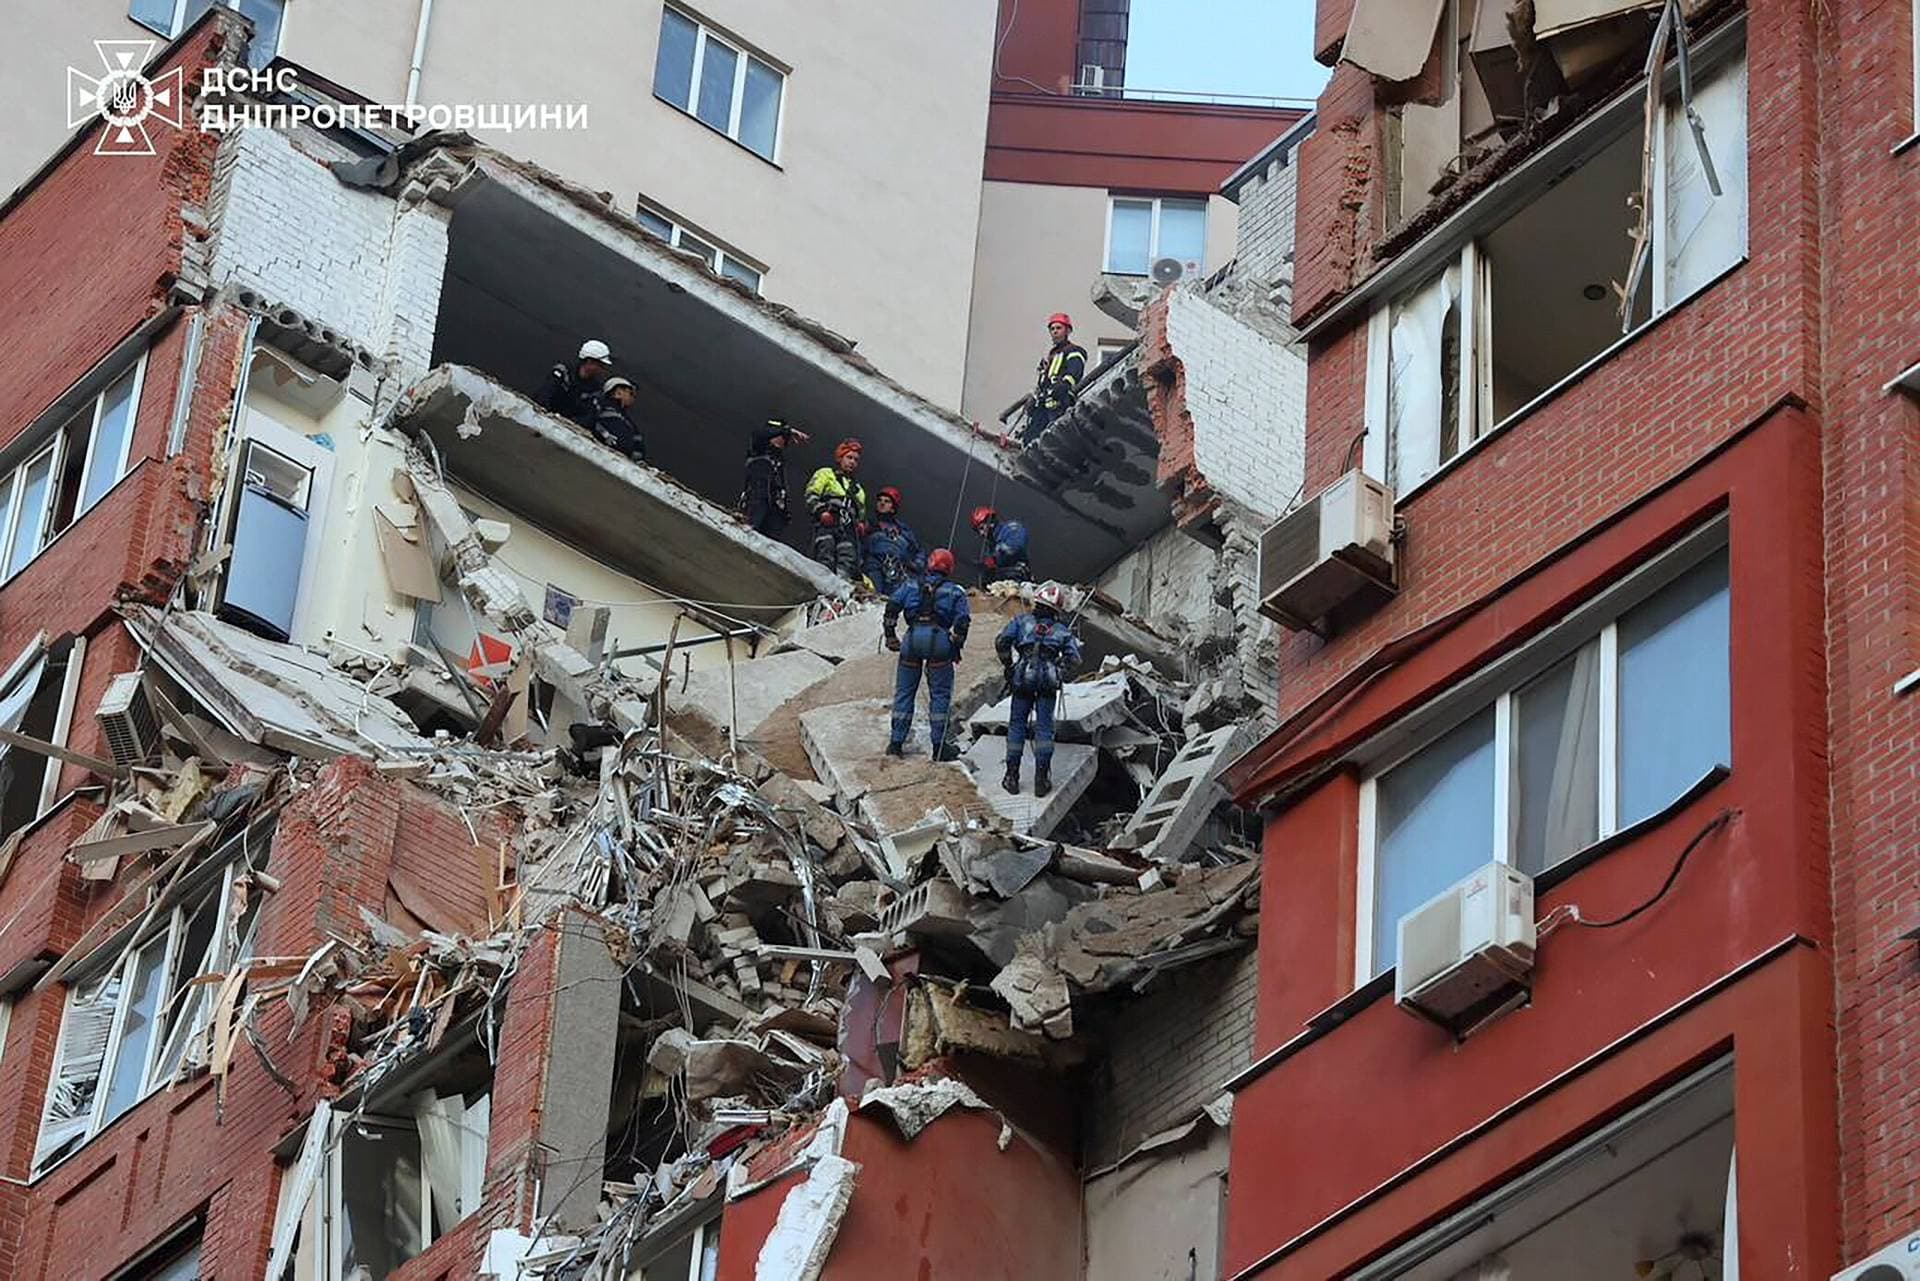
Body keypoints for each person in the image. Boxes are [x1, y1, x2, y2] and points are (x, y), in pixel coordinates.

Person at [995, 582, 1083, 796]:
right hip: (1047, 682)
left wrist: (1008, 666)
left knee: (1017, 726)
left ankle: (1011, 777)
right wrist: (1059, 670)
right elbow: (1075, 659)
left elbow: (1001, 642)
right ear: (1057, 609)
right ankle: (1041, 781)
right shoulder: (1062, 631)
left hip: (1022, 678)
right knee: (1044, 729)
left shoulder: (1021, 622)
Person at [883, 548, 971, 760]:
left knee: (904, 692)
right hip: (938, 641)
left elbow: (892, 607)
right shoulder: (955, 591)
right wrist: (956, 646)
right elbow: (962, 622)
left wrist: (890, 636)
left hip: (912, 639)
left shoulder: (911, 584)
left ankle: (895, 743)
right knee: (940, 695)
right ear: (949, 568)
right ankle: (939, 747)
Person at [805, 438, 868, 578]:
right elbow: (811, 494)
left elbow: (861, 514)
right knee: (825, 554)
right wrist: (821, 512)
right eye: (849, 457)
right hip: (828, 525)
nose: (852, 462)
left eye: (856, 460)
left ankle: (837, 593)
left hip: (847, 531)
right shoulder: (826, 474)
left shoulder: (858, 489)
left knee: (847, 561)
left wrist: (861, 525)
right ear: (840, 458)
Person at [1026, 313, 1088, 440]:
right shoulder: (1051, 357)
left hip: (1060, 406)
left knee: (1054, 438)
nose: (1055, 331)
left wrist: (1064, 385)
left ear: (1068, 331)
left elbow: (1075, 372)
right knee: (1031, 439)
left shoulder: (1074, 351)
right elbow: (1044, 384)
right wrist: (1034, 399)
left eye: (1059, 328)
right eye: (1052, 329)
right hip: (1044, 406)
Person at [740, 418, 808, 535]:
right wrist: (786, 430)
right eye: (779, 433)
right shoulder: (759, 450)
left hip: (772, 515)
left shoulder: (780, 461)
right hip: (754, 505)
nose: (781, 438)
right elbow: (759, 433)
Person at [863, 487, 923, 597]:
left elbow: (918, 551)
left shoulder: (903, 531)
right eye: (880, 500)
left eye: (887, 501)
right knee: (875, 596)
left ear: (893, 508)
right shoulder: (868, 525)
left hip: (897, 570)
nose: (882, 503)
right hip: (874, 567)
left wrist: (915, 565)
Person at [540, 339, 614, 428]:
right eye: (600, 365)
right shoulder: (562, 371)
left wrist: (567, 423)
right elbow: (544, 395)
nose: (602, 369)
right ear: (589, 361)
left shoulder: (596, 389)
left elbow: (589, 416)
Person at [970, 506, 1032, 585]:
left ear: (990, 522)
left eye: (982, 528)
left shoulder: (1011, 529)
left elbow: (1015, 547)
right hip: (1001, 581)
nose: (981, 534)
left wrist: (994, 559)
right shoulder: (991, 544)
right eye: (978, 531)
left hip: (1017, 578)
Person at [589, 376, 646, 462]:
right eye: (630, 393)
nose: (632, 399)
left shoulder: (628, 422)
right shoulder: (599, 405)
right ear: (618, 392)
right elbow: (590, 422)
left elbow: (639, 447)